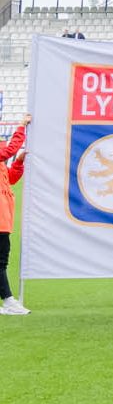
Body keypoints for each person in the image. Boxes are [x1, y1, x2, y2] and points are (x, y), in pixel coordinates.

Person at [0, 114, 28, 315]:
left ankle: (8, 301)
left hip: (4, 217)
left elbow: (10, 178)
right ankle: (9, 301)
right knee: (1, 261)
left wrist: (18, 162)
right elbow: (8, 149)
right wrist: (21, 127)